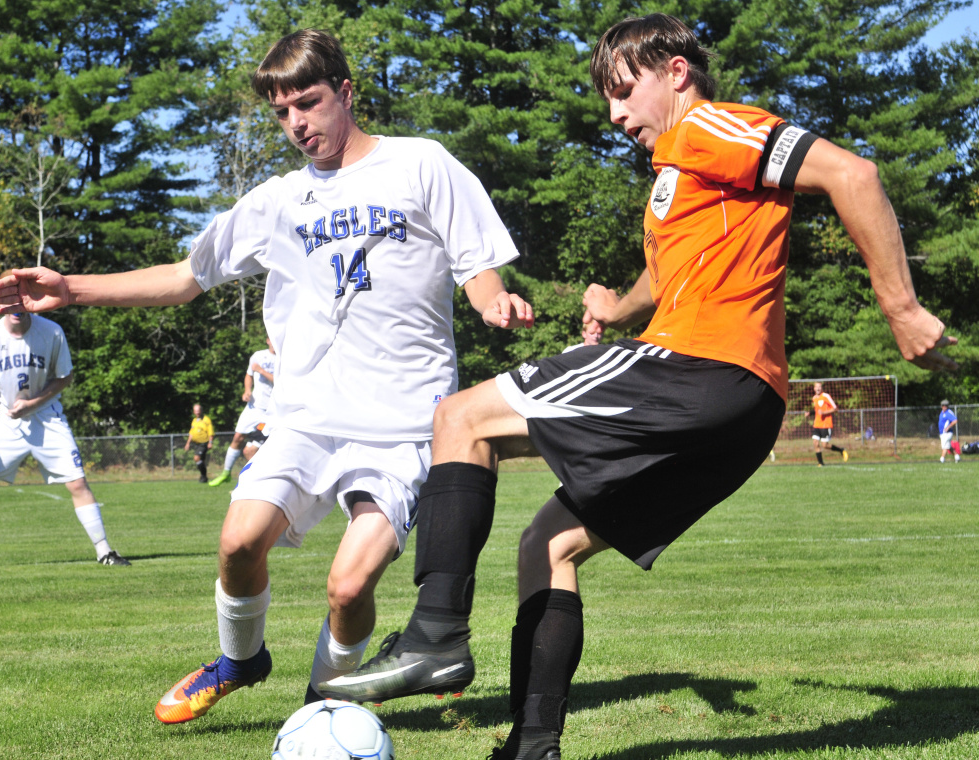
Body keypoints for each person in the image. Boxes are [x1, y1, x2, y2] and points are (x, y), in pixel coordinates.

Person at [316, 14, 957, 760]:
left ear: (676, 72)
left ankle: (435, 634)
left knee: (460, 417)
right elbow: (669, 277)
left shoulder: (706, 127)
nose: (615, 114)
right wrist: (615, 306)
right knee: (547, 544)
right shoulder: (677, 174)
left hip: (699, 368)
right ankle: (531, 747)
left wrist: (901, 309)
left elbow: (853, 174)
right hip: (740, 410)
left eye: (624, 92)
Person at [0, 27, 532, 726]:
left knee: (346, 587)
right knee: (238, 544)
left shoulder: (421, 164)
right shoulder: (276, 201)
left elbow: (475, 264)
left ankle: (323, 713)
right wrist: (72, 289)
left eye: (308, 103)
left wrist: (494, 303)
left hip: (402, 428)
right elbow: (185, 278)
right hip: (306, 419)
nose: (297, 124)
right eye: (281, 113)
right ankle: (241, 660)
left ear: (345, 92)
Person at [0, 307, 130, 566]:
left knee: (77, 483)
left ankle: (105, 551)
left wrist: (33, 403)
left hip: (47, 417)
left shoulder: (51, 331)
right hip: (5, 421)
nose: (17, 308)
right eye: (10, 301)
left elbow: (65, 377)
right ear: (1, 304)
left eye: (21, 300)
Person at [208, 337, 276, 486]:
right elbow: (249, 374)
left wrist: (262, 371)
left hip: (272, 411)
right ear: (267, 341)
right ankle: (226, 473)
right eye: (271, 339)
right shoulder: (258, 355)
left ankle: (263, 480)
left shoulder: (285, 358)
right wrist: (247, 390)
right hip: (255, 407)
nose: (274, 341)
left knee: (253, 450)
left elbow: (279, 381)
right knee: (238, 437)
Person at [804, 381, 847, 466]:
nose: (818, 389)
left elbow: (835, 408)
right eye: (816, 387)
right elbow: (817, 410)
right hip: (817, 424)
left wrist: (824, 412)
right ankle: (820, 463)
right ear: (814, 388)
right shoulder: (814, 398)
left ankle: (841, 450)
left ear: (822, 388)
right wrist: (809, 413)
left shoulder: (826, 396)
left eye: (819, 387)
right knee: (815, 442)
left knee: (825, 445)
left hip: (826, 425)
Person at [185, 402, 215, 483]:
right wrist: (188, 443)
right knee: (201, 460)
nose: (197, 412)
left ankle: (203, 476)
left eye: (198, 410)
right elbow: (191, 433)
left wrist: (210, 442)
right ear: (194, 412)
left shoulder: (206, 420)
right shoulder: (194, 420)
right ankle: (204, 477)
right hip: (196, 444)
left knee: (196, 458)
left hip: (204, 443)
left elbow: (210, 432)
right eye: (195, 411)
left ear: (201, 411)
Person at [938, 399, 960, 463]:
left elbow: (955, 420)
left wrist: (948, 427)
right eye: (943, 405)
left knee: (944, 446)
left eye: (946, 405)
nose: (944, 406)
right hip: (942, 433)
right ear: (941, 406)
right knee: (949, 447)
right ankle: (957, 456)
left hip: (947, 433)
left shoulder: (948, 412)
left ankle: (942, 459)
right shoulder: (942, 413)